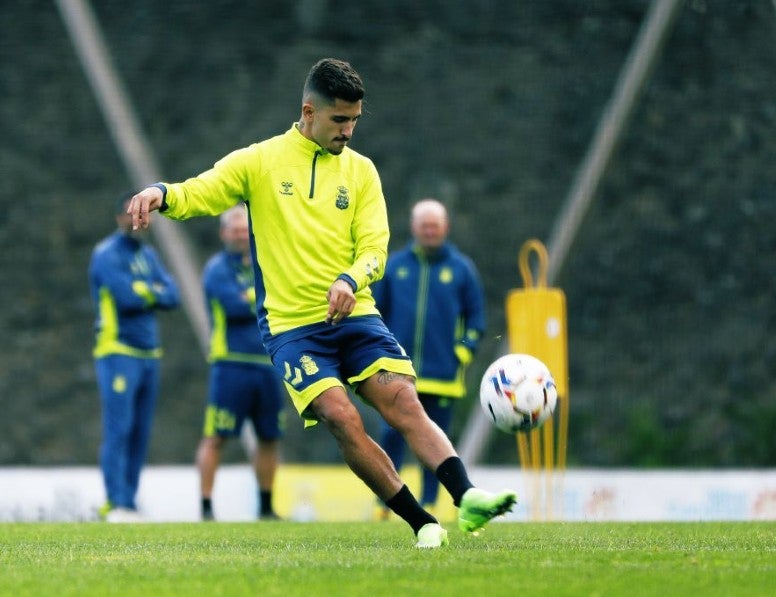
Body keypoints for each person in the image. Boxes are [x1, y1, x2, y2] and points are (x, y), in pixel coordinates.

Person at [126, 58, 516, 548]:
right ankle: (422, 523)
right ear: (308, 112)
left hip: (356, 313)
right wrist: (161, 193)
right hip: (293, 329)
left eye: (355, 120)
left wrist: (351, 279)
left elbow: (376, 247)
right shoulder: (260, 162)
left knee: (402, 401)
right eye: (339, 120)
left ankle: (467, 496)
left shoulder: (363, 172)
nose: (349, 131)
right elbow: (203, 190)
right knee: (341, 416)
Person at [372, 199, 485, 518]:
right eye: (425, 225)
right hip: (397, 372)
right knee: (390, 437)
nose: (430, 231)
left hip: (443, 377)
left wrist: (462, 351)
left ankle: (432, 500)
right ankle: (384, 503)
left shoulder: (462, 269)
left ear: (445, 227)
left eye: (435, 225)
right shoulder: (394, 266)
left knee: (434, 441)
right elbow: (376, 312)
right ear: (414, 227)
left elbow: (476, 319)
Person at [88, 192, 180, 523]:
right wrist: (149, 290)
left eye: (144, 215)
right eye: (133, 215)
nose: (140, 221)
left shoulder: (148, 254)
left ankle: (129, 501)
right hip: (118, 351)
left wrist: (147, 290)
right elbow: (126, 298)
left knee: (140, 431)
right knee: (120, 428)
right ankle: (116, 502)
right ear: (120, 218)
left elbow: (173, 295)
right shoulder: (107, 254)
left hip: (149, 353)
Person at [197, 203, 285, 521]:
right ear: (224, 233)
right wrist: (258, 298)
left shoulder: (265, 265)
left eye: (244, 229)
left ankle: (266, 506)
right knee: (217, 436)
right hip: (230, 363)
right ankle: (206, 507)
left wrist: (252, 297)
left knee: (270, 436)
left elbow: (280, 300)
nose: (240, 234)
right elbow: (234, 307)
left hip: (267, 363)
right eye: (234, 229)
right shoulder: (217, 269)